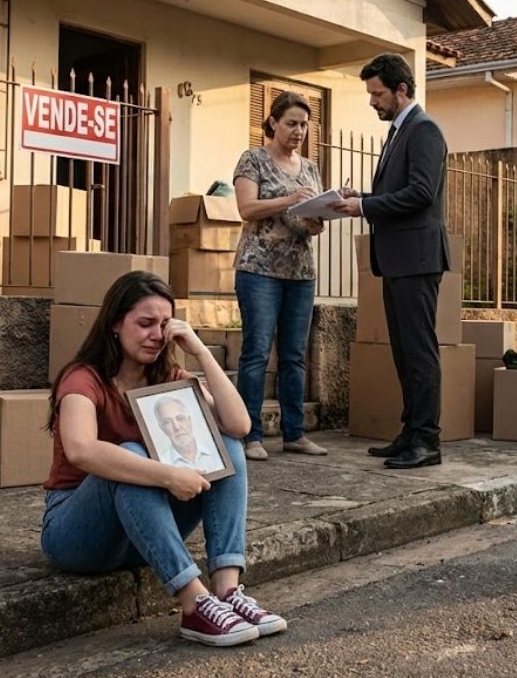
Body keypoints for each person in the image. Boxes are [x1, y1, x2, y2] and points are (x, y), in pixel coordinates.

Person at [41, 270, 287, 647]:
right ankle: (194, 603)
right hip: (78, 534)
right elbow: (81, 449)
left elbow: (238, 425)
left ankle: (227, 591)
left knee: (227, 449)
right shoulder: (83, 378)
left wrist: (200, 350)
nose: (157, 335)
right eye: (144, 324)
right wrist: (168, 475)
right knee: (130, 457)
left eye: (163, 324)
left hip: (141, 532)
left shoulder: (167, 376)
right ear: (114, 324)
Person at [331, 53, 450, 470]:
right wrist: (358, 199)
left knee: (419, 351)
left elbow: (421, 193)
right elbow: (399, 192)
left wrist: (364, 205)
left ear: (401, 90)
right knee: (403, 351)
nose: (372, 102)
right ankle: (410, 431)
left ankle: (427, 440)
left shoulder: (424, 130)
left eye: (377, 93)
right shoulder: (401, 131)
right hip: (399, 259)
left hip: (416, 259)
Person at [232, 90, 327, 461]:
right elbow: (246, 207)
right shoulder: (252, 159)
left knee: (294, 355)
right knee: (256, 353)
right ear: (272, 122)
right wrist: (289, 200)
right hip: (259, 270)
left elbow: (311, 226)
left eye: (304, 124)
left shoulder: (310, 167)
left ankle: (295, 433)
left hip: (300, 272)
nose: (298, 131)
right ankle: (249, 435)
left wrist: (321, 215)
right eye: (291, 123)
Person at [153, 395, 223, 474]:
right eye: (167, 422)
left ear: (189, 421)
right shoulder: (163, 461)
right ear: (162, 428)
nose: (176, 427)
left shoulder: (215, 450)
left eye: (180, 418)